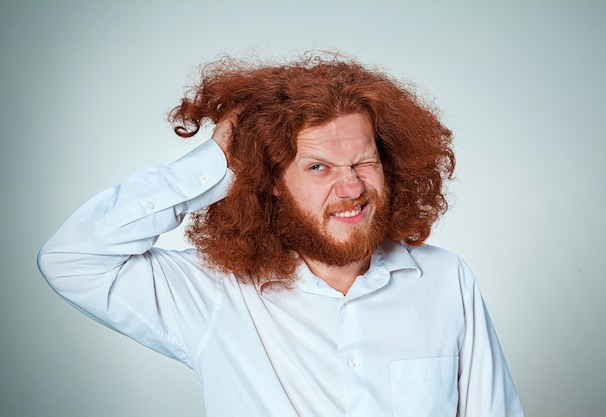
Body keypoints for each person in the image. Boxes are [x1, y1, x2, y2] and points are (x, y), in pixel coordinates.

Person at [38, 52, 524, 416]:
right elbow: (71, 258)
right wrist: (211, 166)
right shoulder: (215, 291)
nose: (351, 185)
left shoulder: (444, 279)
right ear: (270, 181)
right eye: (318, 167)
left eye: (363, 162)